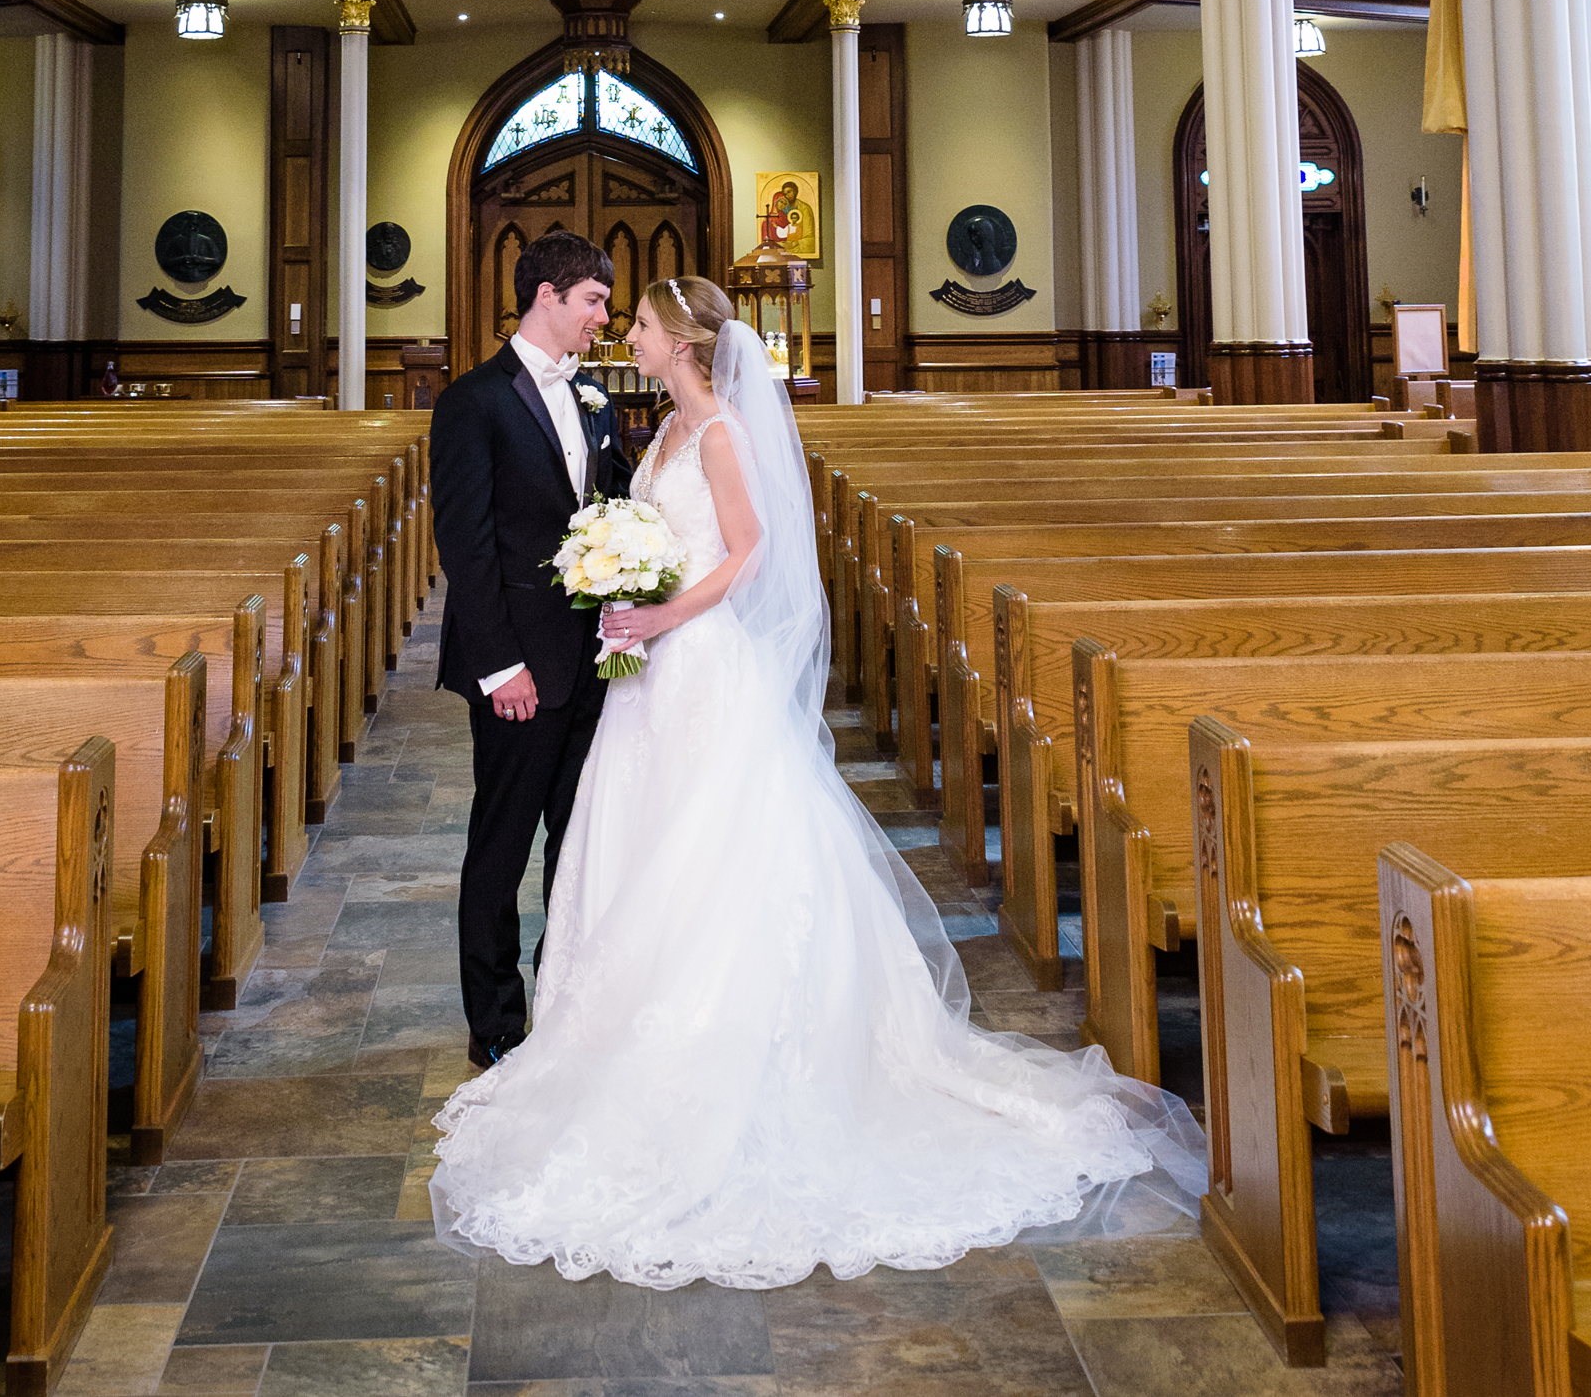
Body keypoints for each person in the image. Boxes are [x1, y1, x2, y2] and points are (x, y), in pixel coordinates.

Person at [430, 273, 1206, 1289]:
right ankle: (591, 1031)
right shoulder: (656, 429)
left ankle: (712, 1056)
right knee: (629, 842)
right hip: (643, 683)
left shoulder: (714, 435)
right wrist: (615, 581)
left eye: (645, 324)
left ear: (685, 343)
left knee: (710, 859)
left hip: (698, 665)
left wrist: (657, 613)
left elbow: (746, 553)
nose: (629, 333)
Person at [428, 231, 633, 1068]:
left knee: (578, 841)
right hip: (517, 665)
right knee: (501, 846)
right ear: (547, 295)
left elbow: (611, 506)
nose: (603, 321)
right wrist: (498, 664)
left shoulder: (594, 396)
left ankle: (561, 995)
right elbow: (466, 546)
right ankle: (496, 1022)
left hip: (592, 661)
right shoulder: (471, 402)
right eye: (593, 302)